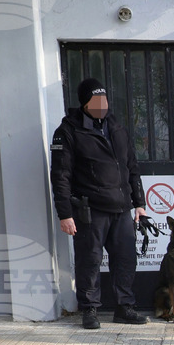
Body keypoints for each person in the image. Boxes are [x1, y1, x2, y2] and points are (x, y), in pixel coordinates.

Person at [50, 78, 149, 329]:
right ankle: (90, 309)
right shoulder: (68, 131)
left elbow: (132, 168)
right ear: (84, 103)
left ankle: (124, 307)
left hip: (121, 208)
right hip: (89, 209)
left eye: (104, 99)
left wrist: (139, 203)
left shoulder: (117, 127)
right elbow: (60, 176)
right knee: (90, 260)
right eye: (96, 100)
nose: (101, 104)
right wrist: (65, 213)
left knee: (126, 259)